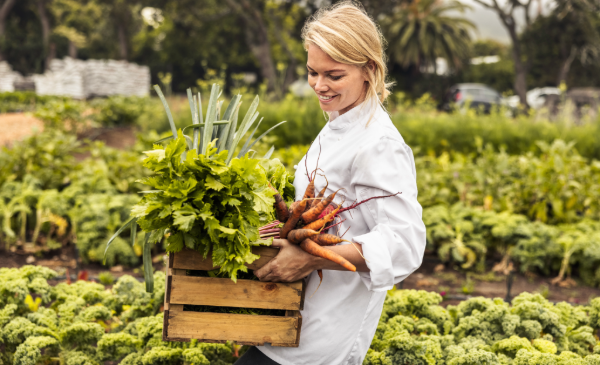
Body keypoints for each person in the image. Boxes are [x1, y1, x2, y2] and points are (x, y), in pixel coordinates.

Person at [235, 2, 426, 364]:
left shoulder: (379, 144)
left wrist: (309, 259)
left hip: (325, 330)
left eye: (333, 76)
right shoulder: (339, 120)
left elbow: (404, 244)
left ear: (369, 70)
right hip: (289, 311)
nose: (319, 86)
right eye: (312, 72)